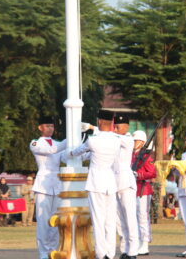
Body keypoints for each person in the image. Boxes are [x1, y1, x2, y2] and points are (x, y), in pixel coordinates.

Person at [71, 109, 120, 259]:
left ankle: (101, 253)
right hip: (110, 183)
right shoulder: (116, 140)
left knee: (98, 220)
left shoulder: (93, 140)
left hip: (96, 182)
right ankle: (110, 254)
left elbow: (77, 151)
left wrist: (71, 152)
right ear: (112, 123)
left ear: (99, 121)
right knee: (110, 220)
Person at [29, 116, 66, 259]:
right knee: (43, 221)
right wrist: (70, 139)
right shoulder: (35, 143)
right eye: (47, 126)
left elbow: (66, 156)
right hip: (43, 186)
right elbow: (51, 150)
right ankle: (43, 253)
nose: (50, 129)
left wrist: (83, 145)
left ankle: (53, 250)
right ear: (40, 127)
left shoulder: (58, 143)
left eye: (52, 126)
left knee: (56, 220)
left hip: (57, 185)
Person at [112, 113, 139, 259]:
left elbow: (115, 138)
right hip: (114, 184)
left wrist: (96, 129)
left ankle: (133, 251)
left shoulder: (128, 139)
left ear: (126, 127)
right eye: (114, 126)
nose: (115, 129)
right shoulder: (113, 139)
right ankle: (124, 250)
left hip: (126, 184)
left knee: (130, 218)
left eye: (118, 126)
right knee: (119, 221)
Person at [132, 130, 156, 256]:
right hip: (133, 190)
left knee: (142, 217)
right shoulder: (131, 155)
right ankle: (137, 242)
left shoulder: (146, 156)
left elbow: (152, 173)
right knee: (135, 218)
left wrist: (139, 175)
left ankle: (145, 243)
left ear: (141, 142)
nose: (133, 142)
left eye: (135, 140)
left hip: (143, 190)